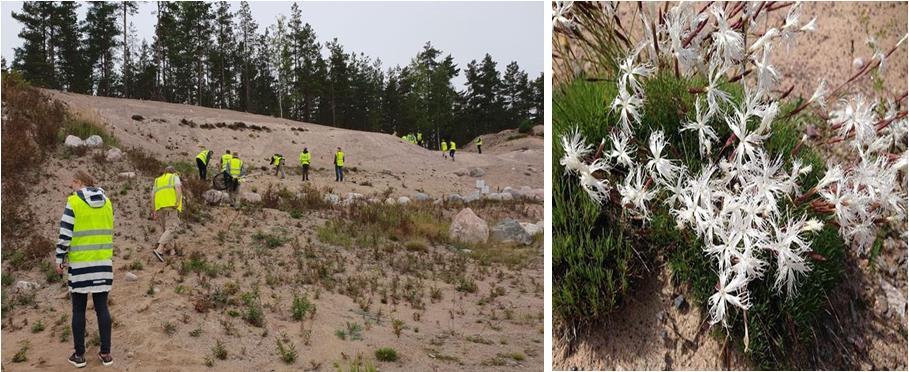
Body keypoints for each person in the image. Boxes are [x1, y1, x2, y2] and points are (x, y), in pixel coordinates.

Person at [54, 170, 114, 367]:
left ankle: (79, 356)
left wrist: (59, 258)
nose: (71, 186)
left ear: (79, 182)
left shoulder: (74, 202)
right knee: (102, 308)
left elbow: (65, 235)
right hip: (103, 263)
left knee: (78, 310)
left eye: (73, 182)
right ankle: (106, 354)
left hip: (80, 264)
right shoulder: (107, 202)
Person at [151, 166, 183, 262]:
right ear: (173, 172)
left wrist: (153, 210)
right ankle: (159, 249)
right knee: (172, 227)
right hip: (171, 205)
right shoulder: (174, 177)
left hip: (160, 207)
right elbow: (178, 188)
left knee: (166, 230)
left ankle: (171, 250)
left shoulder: (157, 180)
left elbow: (152, 195)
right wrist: (177, 202)